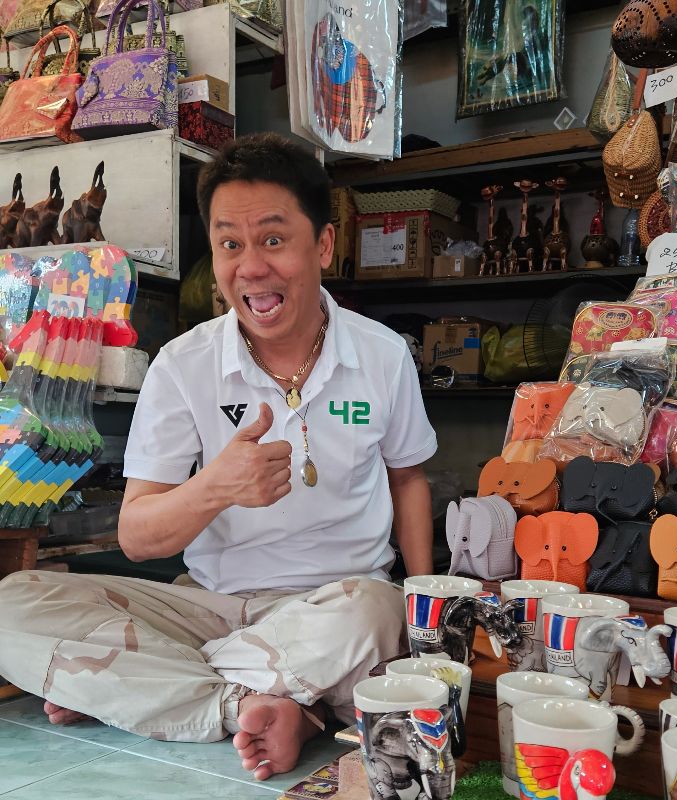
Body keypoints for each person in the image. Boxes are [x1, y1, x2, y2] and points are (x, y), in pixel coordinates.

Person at [0, 133, 436, 780]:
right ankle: (266, 704)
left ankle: (139, 688)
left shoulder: (381, 356)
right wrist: (216, 489)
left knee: (380, 613)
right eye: (230, 244)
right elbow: (137, 535)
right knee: (12, 603)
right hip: (203, 609)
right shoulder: (183, 365)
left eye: (273, 239)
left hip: (332, 608)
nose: (250, 267)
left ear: (322, 245)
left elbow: (408, 480)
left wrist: (424, 611)